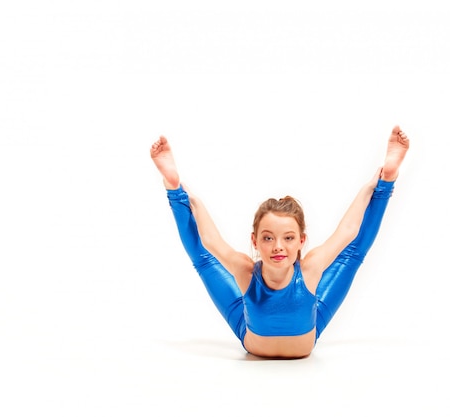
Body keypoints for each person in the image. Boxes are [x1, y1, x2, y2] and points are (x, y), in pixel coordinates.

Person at [150, 125, 409, 359]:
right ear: (255, 241)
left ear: (301, 241)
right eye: (268, 238)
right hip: (248, 330)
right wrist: (178, 192)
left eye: (288, 238)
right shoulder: (245, 271)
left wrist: (375, 185)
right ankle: (173, 188)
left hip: (310, 324)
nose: (278, 246)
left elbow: (349, 232)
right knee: (203, 260)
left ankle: (389, 177)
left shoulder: (310, 269)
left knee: (352, 255)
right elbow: (208, 241)